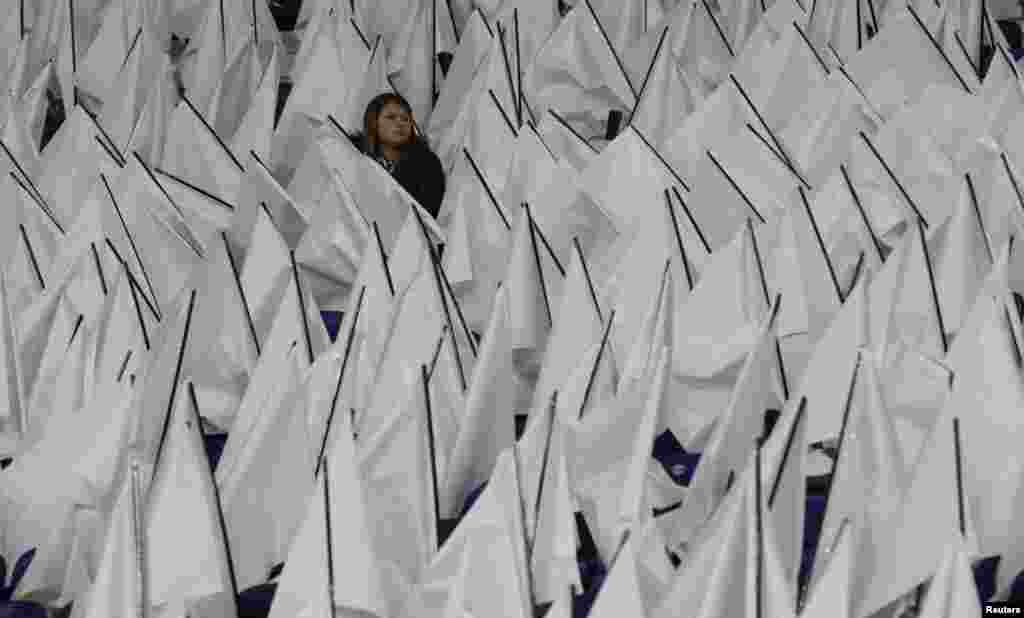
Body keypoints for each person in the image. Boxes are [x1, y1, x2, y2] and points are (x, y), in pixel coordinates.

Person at [352, 93, 446, 218]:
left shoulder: (427, 165)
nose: (400, 123)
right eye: (391, 117)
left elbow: (428, 214)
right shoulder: (352, 156)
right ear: (373, 121)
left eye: (405, 119)